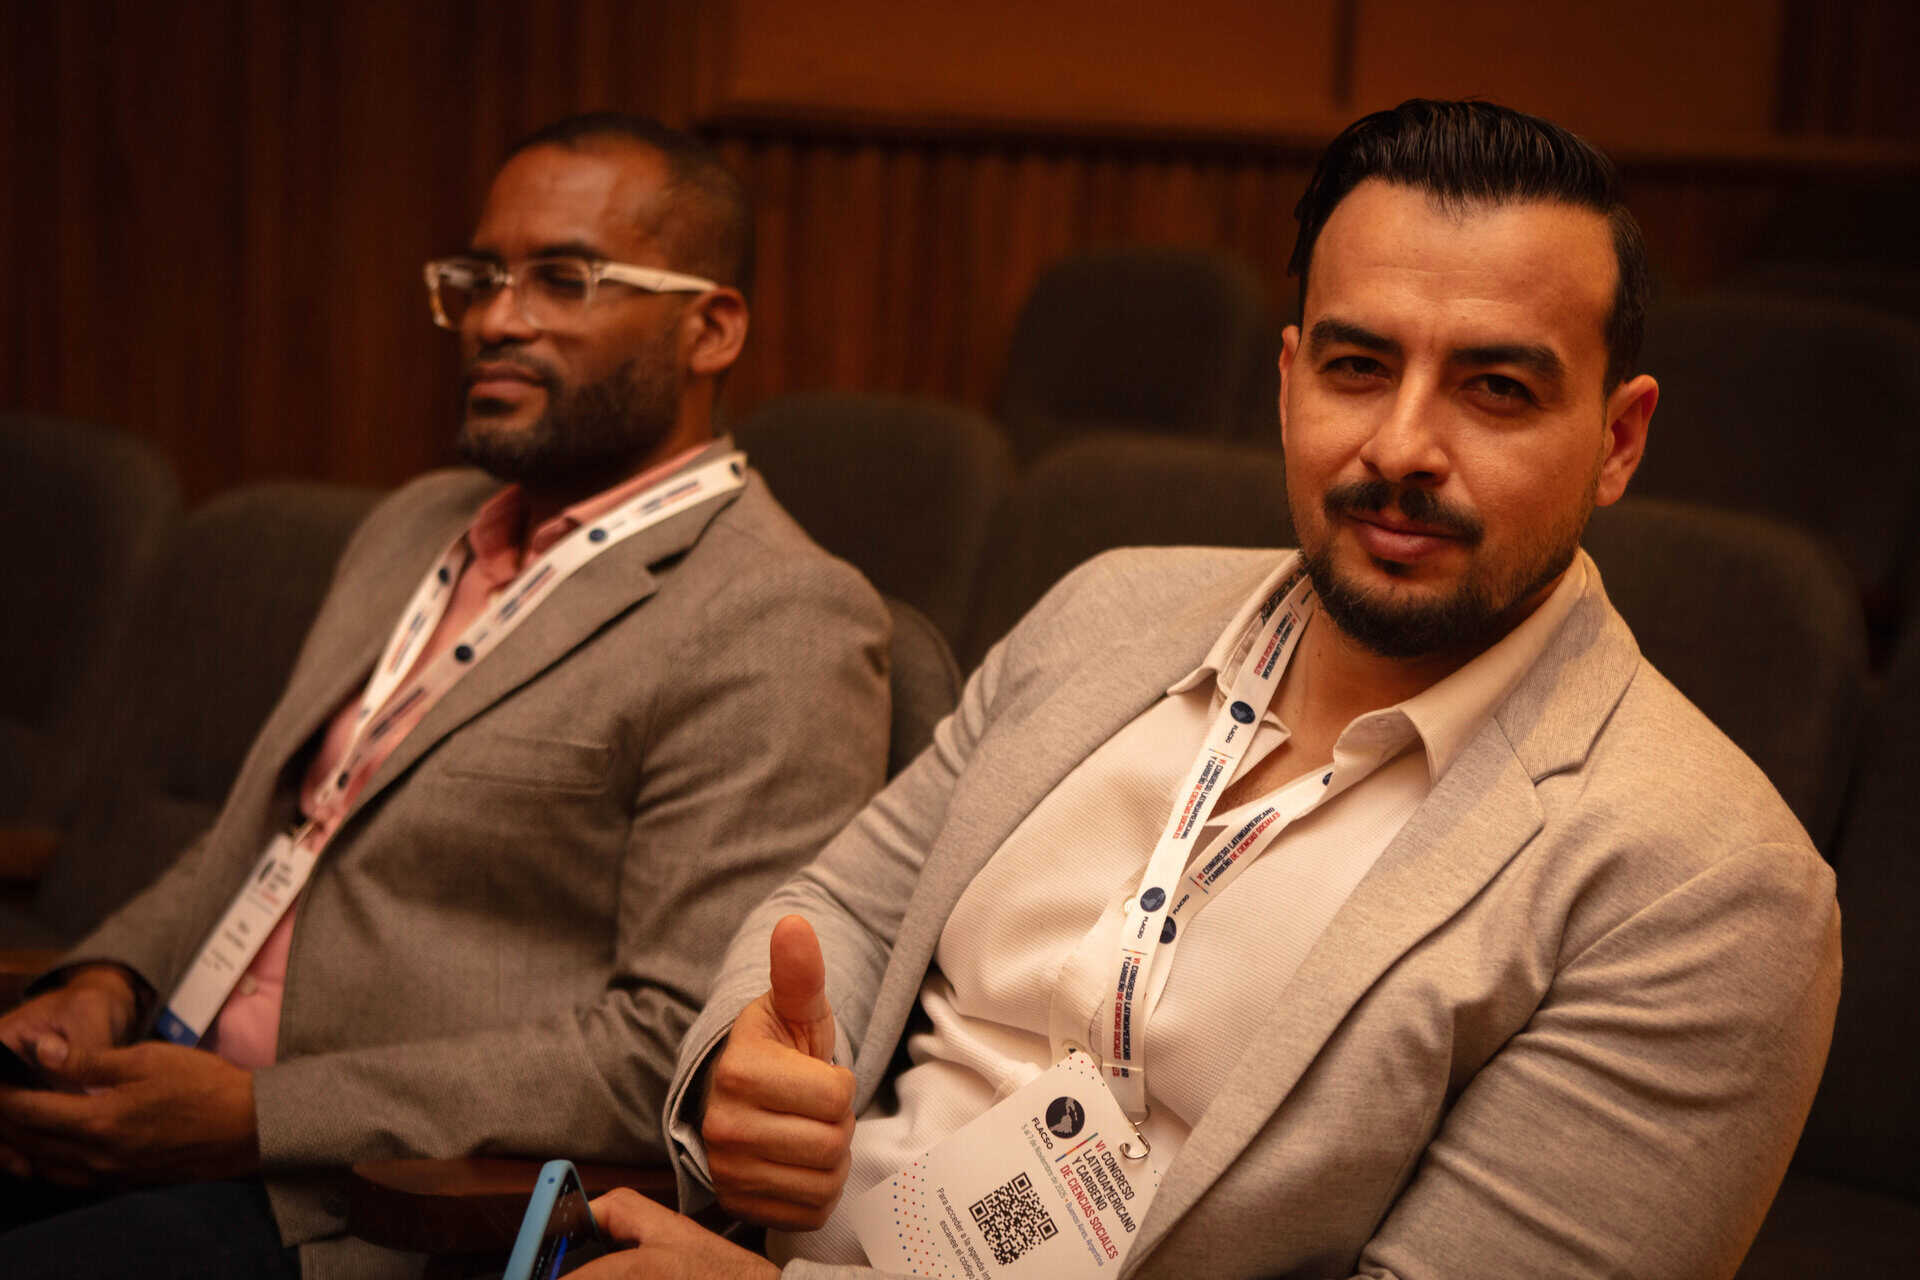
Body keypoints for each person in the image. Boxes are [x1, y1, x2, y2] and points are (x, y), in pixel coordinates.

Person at [570, 100, 1842, 1279]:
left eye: (1496, 389)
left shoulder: (1710, 888)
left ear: (1617, 439)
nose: (1402, 445)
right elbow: (846, 900)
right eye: (1357, 367)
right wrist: (742, 1064)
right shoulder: (1108, 605)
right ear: (1287, 384)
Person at [0, 114, 891, 1277]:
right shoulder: (413, 525)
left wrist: (256, 1115)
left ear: (710, 327)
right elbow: (278, 833)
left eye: (564, 279)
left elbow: (675, 1048)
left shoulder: (780, 615)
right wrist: (103, 982)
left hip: (355, 1205)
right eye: (479, 277)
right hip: (160, 1103)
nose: (495, 319)